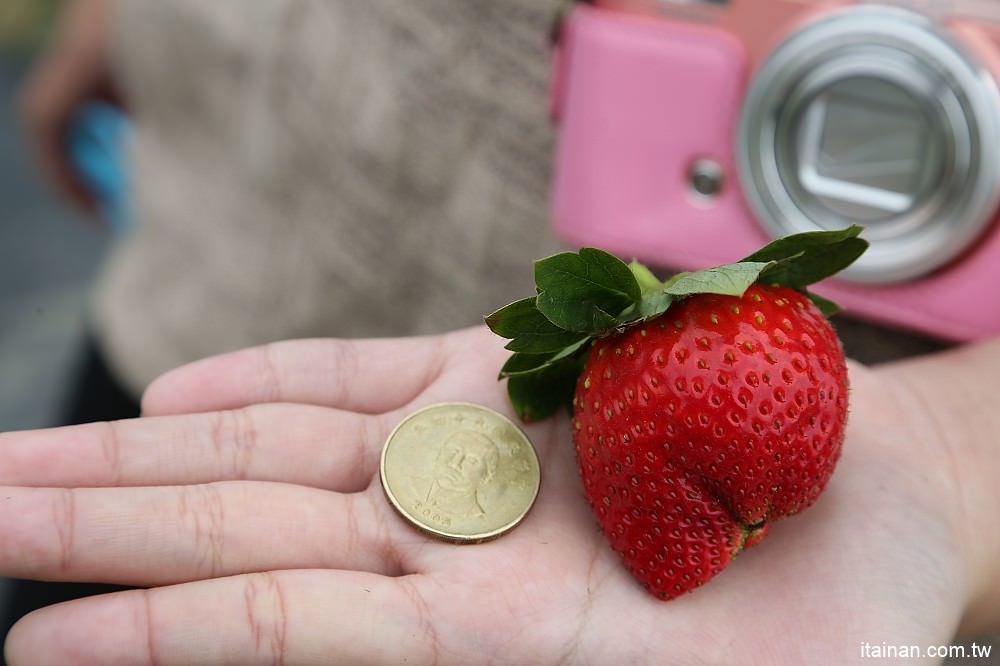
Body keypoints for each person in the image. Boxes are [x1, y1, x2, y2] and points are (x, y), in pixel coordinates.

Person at [0, 325, 997, 664]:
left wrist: (956, 461)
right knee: (97, 544)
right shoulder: (640, 375)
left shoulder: (648, 380)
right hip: (207, 287)